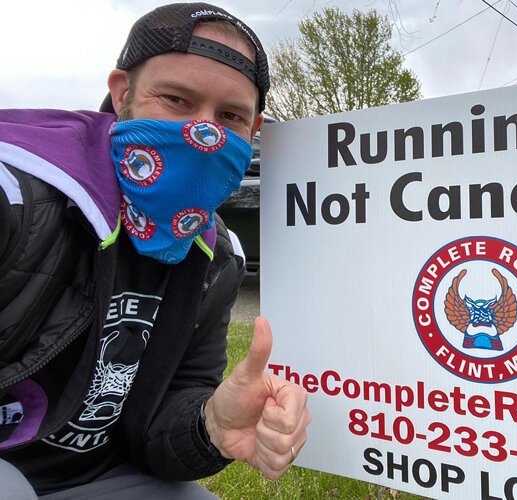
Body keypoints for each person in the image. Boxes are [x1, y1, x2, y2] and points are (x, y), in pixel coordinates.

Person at [0, 3, 311, 498]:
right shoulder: (23, 194)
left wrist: (210, 424)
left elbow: (161, 434)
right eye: (176, 100)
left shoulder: (217, 258)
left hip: (95, 475)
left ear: (254, 133)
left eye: (230, 115)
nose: (203, 133)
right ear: (122, 93)